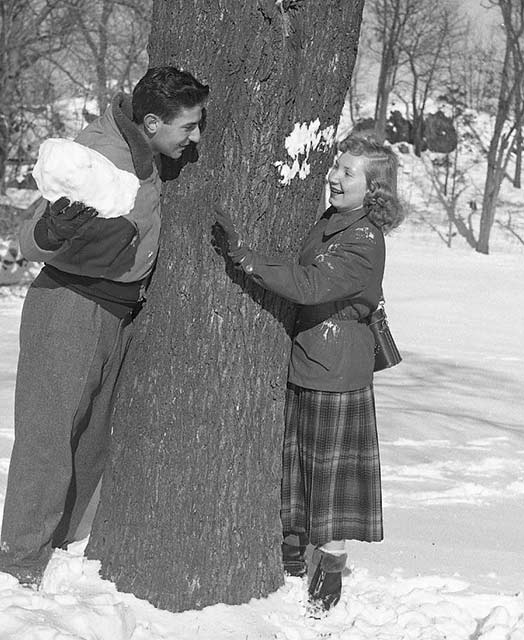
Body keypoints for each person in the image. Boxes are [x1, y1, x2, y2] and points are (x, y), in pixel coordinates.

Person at [0, 66, 209, 588]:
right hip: (68, 306)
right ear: (153, 121)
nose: (197, 138)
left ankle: (62, 545)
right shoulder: (96, 156)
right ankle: (20, 565)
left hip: (117, 310)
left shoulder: (146, 150)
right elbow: (28, 237)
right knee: (47, 438)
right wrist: (52, 227)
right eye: (189, 127)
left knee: (93, 440)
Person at [213, 135, 404, 614]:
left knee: (331, 485)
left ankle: (326, 593)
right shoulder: (335, 222)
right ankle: (294, 563)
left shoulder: (363, 238)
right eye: (336, 167)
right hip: (313, 360)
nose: (334, 178)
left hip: (335, 371)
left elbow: (312, 284)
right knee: (299, 470)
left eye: (348, 173)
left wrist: (246, 258)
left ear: (374, 191)